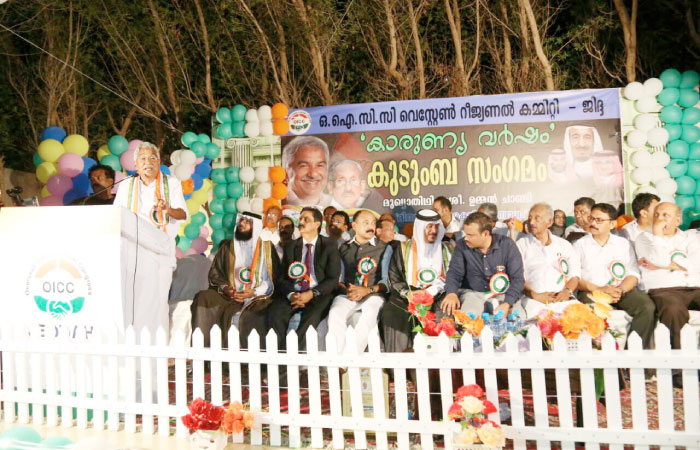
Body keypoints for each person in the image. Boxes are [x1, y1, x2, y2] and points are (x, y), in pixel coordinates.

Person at [190, 212, 278, 348]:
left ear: (256, 226)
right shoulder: (227, 247)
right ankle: (203, 354)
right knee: (203, 297)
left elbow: (272, 279)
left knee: (262, 311)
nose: (241, 224)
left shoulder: (266, 248)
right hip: (229, 296)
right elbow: (216, 275)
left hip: (258, 297)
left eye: (247, 222)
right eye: (241, 221)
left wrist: (254, 292)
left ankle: (249, 360)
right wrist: (226, 289)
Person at [573, 203, 655, 349]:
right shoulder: (579, 245)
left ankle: (634, 355)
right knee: (591, 310)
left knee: (647, 307)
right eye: (591, 219)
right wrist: (600, 289)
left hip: (621, 290)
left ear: (612, 224)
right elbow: (575, 278)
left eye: (599, 220)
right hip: (592, 291)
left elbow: (633, 273)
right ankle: (601, 357)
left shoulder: (623, 244)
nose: (593, 223)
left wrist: (621, 290)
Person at [269, 207, 341, 350]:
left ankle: (296, 363)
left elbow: (333, 279)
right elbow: (281, 278)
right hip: (294, 294)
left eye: (306, 219)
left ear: (317, 224)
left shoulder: (329, 244)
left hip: (319, 294)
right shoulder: (291, 246)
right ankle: (279, 362)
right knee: (276, 313)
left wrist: (311, 294)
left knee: (309, 319)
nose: (301, 222)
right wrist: (292, 295)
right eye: (300, 219)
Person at [380, 209, 453, 352]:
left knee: (445, 309)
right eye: (429, 227)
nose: (433, 230)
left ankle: (439, 368)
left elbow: (453, 276)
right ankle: (401, 369)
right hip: (409, 295)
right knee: (393, 312)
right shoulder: (402, 249)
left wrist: (431, 292)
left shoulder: (448, 249)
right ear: (420, 228)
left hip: (439, 293)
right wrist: (408, 293)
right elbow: (394, 277)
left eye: (436, 226)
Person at [635, 202, 700, 350]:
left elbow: (696, 263)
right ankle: (679, 368)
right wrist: (657, 235)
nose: (660, 219)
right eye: (657, 215)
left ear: (678, 220)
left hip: (694, 287)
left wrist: (666, 265)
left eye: (665, 215)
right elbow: (659, 259)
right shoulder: (644, 237)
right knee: (673, 310)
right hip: (664, 290)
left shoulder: (690, 237)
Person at [328, 210, 391, 353]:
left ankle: (346, 361)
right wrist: (349, 291)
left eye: (373, 223)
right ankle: (337, 359)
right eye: (366, 222)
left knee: (370, 311)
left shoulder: (384, 248)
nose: (371, 226)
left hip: (373, 295)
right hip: (348, 294)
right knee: (335, 313)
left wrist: (367, 290)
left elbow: (386, 282)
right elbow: (339, 279)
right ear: (354, 226)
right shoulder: (343, 248)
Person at [442, 212, 526, 318]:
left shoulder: (507, 245)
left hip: (503, 295)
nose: (466, 238)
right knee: (469, 318)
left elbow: (518, 279)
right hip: (473, 295)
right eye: (465, 233)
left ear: (485, 234)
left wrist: (507, 303)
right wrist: (451, 293)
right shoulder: (462, 246)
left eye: (470, 235)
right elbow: (454, 273)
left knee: (518, 318)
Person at [516, 203, 580, 317]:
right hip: (533, 301)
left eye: (537, 218)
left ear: (550, 222)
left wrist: (567, 292)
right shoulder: (521, 245)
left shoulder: (564, 245)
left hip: (563, 300)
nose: (531, 222)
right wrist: (535, 295)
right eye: (530, 218)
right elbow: (516, 277)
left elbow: (575, 275)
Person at [113, 142, 187, 238]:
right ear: (135, 164)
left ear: (158, 162)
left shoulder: (171, 182)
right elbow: (116, 215)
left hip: (161, 244)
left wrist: (167, 210)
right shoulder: (126, 184)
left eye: (152, 158)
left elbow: (182, 214)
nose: (148, 162)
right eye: (143, 158)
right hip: (133, 242)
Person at [282, 136, 332, 207]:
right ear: (286, 171)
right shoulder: (278, 203)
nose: (313, 174)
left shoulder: (336, 204)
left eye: (320, 165)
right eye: (304, 166)